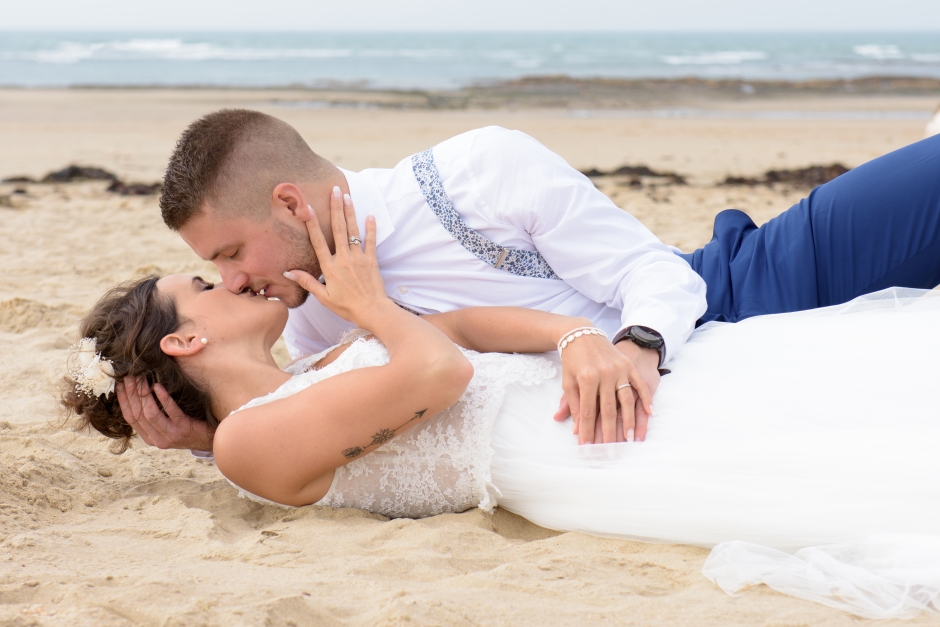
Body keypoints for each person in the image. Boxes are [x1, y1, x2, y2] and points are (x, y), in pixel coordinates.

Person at [64, 195, 940, 619]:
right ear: (183, 341)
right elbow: (436, 370)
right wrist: (370, 304)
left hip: (578, 388)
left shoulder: (309, 369)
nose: (229, 280)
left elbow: (456, 324)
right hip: (569, 448)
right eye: (202, 283)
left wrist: (571, 338)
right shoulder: (250, 442)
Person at [122, 109, 940, 454]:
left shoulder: (476, 171)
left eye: (231, 253)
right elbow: (314, 437)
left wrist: (637, 344)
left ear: (289, 203)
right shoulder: (307, 321)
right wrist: (200, 439)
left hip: (736, 290)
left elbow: (651, 272)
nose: (233, 281)